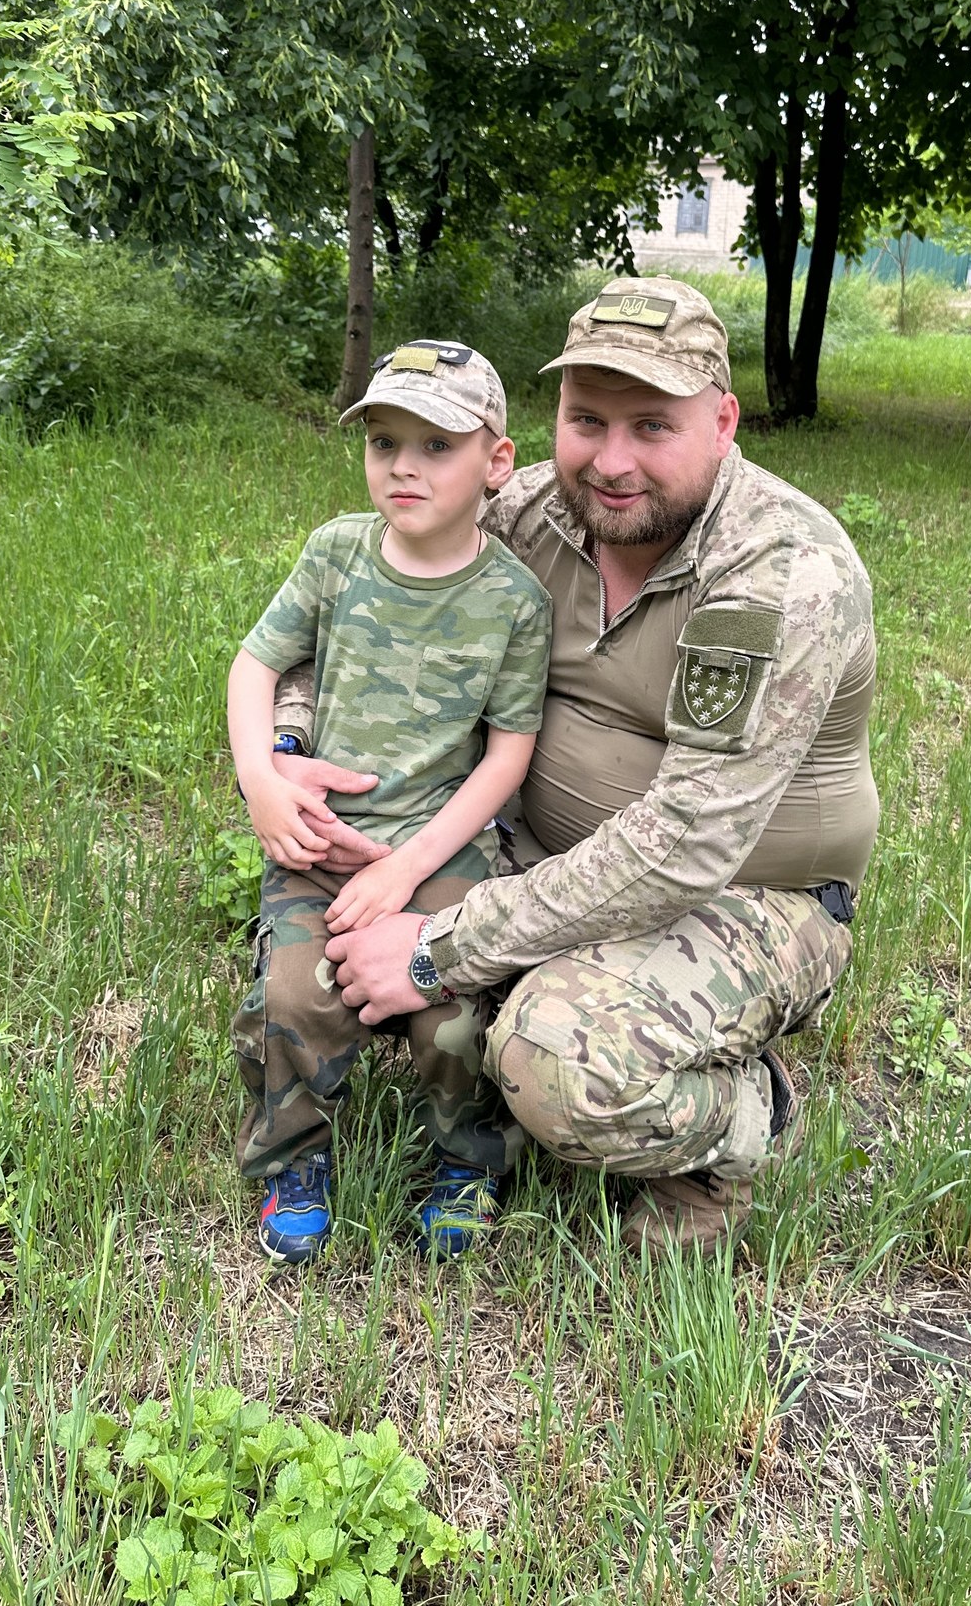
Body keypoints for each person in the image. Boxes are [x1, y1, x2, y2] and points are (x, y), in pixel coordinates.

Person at [279, 275, 880, 1255]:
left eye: (653, 426)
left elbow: (686, 845)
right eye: (586, 420)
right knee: (330, 944)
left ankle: (742, 1119)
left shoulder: (780, 572)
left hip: (745, 893)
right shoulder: (528, 512)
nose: (612, 460)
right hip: (537, 848)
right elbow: (352, 605)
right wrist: (289, 746)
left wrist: (439, 948)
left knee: (552, 1056)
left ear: (723, 423)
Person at [227, 340, 551, 1265]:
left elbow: (508, 755)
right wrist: (262, 780)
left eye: (436, 445)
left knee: (450, 1013)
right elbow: (255, 666)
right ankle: (293, 1157)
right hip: (322, 838)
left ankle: (468, 1161)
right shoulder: (336, 553)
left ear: (497, 461)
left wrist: (408, 868)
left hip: (439, 847)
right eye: (383, 442)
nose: (404, 466)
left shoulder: (515, 601)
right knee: (293, 997)